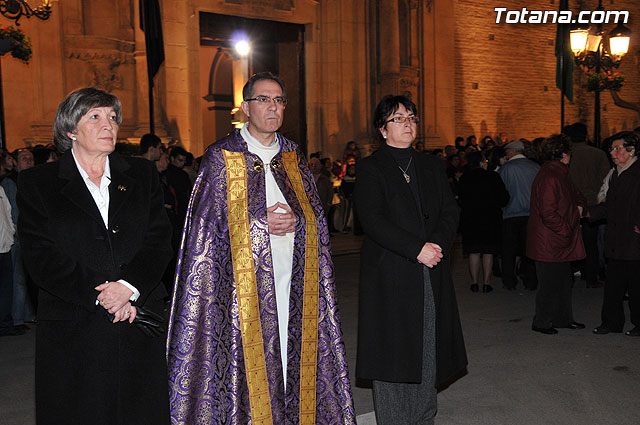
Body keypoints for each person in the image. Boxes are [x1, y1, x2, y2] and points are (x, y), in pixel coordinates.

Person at [167, 72, 356, 424]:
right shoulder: (221, 158)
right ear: (245, 107)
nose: (273, 107)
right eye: (264, 99)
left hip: (294, 280)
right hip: (243, 292)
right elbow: (203, 232)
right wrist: (257, 223)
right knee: (253, 361)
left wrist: (299, 221)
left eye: (279, 100)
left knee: (291, 351)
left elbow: (315, 217)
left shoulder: (293, 157)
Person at [17, 87, 173, 424]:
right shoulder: (38, 183)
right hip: (76, 325)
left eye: (113, 118)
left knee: (139, 410)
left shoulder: (141, 175)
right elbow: (41, 256)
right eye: (96, 117)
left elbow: (158, 240)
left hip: (137, 315)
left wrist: (129, 287)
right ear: (70, 130)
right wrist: (104, 295)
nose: (109, 125)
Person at [354, 95, 467, 425]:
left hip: (429, 270)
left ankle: (423, 418)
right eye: (398, 118)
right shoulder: (371, 167)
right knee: (393, 354)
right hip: (391, 273)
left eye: (412, 117)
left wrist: (437, 245)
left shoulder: (431, 165)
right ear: (382, 129)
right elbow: (372, 219)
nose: (407, 123)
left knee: (427, 348)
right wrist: (416, 247)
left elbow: (450, 210)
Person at [527, 134, 586, 335]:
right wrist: (567, 229)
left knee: (563, 283)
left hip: (557, 240)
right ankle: (541, 322)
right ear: (564, 154)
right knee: (549, 285)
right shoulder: (550, 175)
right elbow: (547, 212)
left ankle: (563, 319)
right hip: (550, 241)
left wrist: (580, 206)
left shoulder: (559, 172)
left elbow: (576, 195)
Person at [589, 131, 640, 337]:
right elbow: (611, 205)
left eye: (617, 148)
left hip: (634, 239)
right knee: (613, 285)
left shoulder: (637, 172)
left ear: (631, 150)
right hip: (616, 238)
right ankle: (611, 322)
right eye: (611, 148)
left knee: (636, 286)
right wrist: (588, 212)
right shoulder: (616, 172)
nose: (612, 152)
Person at [563, 123, 610, 288]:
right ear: (586, 136)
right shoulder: (598, 154)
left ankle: (568, 276)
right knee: (591, 244)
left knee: (569, 242)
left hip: (569, 204)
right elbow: (606, 180)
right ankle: (591, 277)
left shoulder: (567, 155)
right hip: (591, 204)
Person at [458, 151, 509, 293]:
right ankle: (486, 283)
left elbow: (460, 198)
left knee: (473, 252)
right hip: (490, 218)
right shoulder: (493, 176)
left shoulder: (465, 178)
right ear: (481, 162)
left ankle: (474, 282)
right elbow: (504, 198)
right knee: (488, 252)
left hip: (470, 219)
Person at [498, 139, 540, 290]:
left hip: (510, 214)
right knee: (528, 250)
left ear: (512, 151)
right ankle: (531, 280)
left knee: (508, 251)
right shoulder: (536, 167)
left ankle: (509, 281)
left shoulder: (506, 169)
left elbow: (501, 192)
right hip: (531, 215)